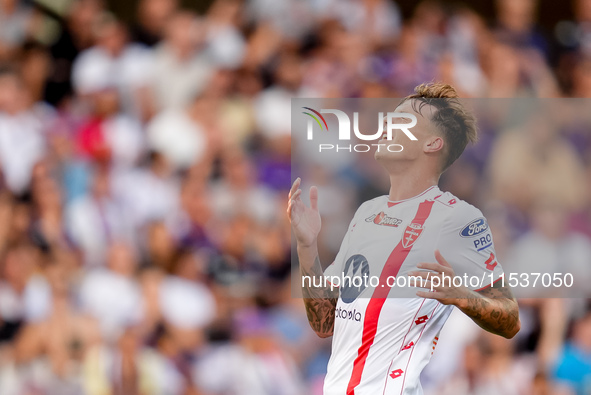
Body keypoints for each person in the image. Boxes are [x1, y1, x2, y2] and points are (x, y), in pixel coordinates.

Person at [287, 83, 521, 394]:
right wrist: (306, 248)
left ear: (432, 143)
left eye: (403, 121)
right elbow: (324, 324)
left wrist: (462, 296)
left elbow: (510, 319)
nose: (387, 125)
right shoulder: (367, 213)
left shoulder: (458, 218)